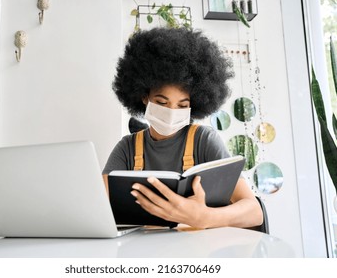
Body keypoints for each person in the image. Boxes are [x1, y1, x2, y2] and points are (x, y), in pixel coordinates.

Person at [102, 27, 263, 229]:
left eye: (182, 105)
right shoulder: (127, 148)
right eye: (162, 102)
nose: (171, 111)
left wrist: (205, 217)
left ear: (193, 105)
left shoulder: (204, 140)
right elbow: (98, 205)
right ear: (144, 97)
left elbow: (255, 213)